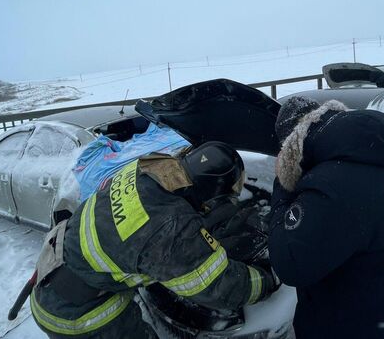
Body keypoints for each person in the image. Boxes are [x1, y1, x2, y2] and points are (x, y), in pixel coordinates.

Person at [30, 141, 277, 339]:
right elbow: (221, 288)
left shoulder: (149, 167)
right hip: (77, 315)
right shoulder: (171, 229)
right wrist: (267, 280)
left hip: (53, 267)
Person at [267, 96, 384, 338]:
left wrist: (283, 188)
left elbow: (289, 263)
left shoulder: (332, 185)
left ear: (291, 142)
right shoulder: (373, 157)